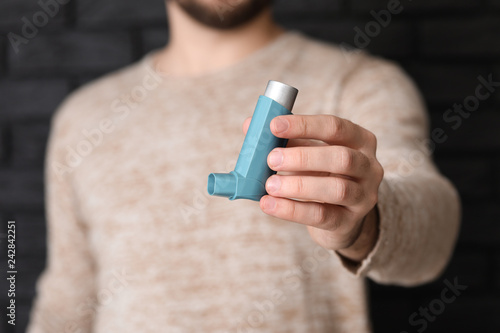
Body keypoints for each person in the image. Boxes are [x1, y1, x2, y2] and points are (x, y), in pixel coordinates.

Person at [27, 0, 460, 332]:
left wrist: (363, 223)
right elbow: (66, 301)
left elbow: (433, 238)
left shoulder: (358, 83)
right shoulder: (83, 118)